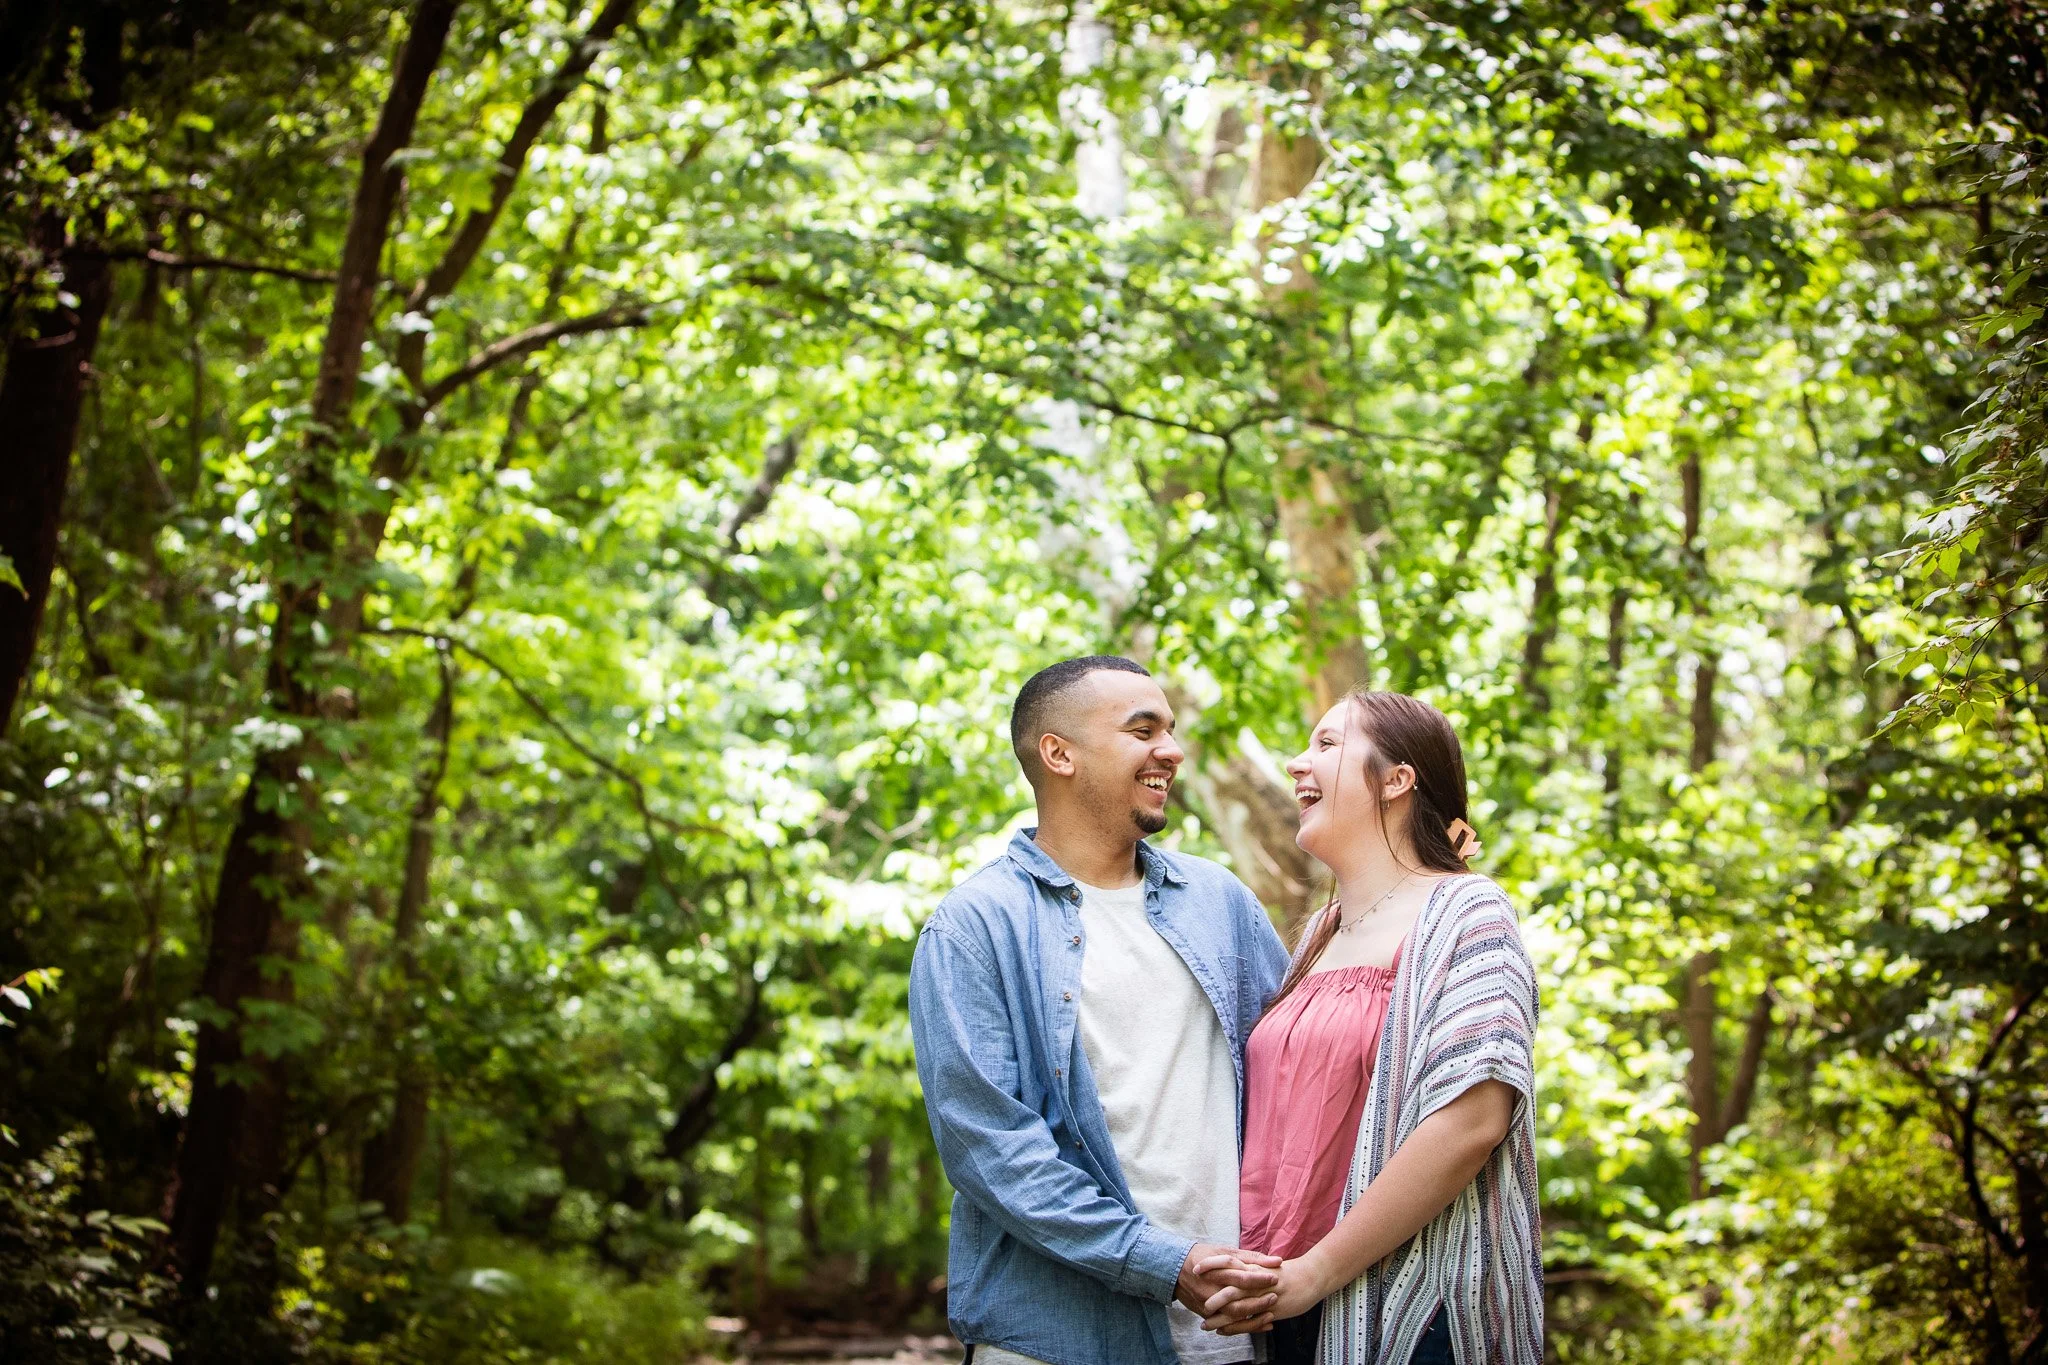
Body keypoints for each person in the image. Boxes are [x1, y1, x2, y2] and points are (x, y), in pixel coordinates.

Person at [910, 655, 1294, 1364]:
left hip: (1229, 1339)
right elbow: (992, 1150)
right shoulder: (975, 927)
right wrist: (1163, 1262)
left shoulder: (1221, 902)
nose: (1171, 750)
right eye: (1142, 729)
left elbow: (1302, 1075)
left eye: (1171, 730)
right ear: (1058, 753)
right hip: (1055, 1341)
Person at [1199, 690, 1542, 1365]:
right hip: (1290, 1311)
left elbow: (1472, 1120)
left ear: (1396, 778)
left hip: (1412, 1312)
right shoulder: (1320, 936)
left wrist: (1318, 1269)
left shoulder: (1467, 911)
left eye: (1327, 743)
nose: (1299, 762)